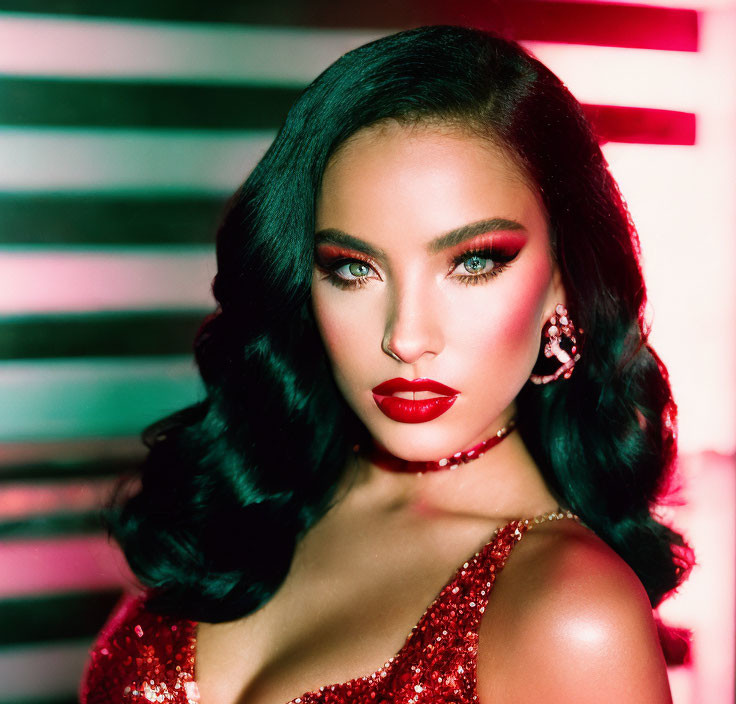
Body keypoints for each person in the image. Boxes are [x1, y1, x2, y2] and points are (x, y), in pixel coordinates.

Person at [80, 24, 691, 704]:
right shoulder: (249, 501)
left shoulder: (571, 613)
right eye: (353, 269)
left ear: (564, 280)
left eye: (473, 262)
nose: (406, 337)